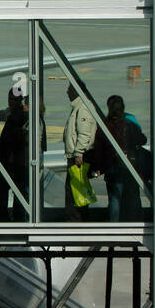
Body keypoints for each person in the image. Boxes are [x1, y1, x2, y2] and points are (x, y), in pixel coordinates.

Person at [92, 95, 147, 221]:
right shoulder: (130, 124)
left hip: (112, 167)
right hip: (130, 166)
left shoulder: (105, 126)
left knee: (114, 199)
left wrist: (98, 168)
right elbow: (142, 139)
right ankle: (135, 222)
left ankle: (114, 225)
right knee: (133, 197)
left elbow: (99, 149)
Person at [63, 85, 97, 221]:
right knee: (77, 190)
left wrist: (78, 153)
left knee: (74, 190)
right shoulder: (78, 107)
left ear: (78, 91)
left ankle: (75, 220)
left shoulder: (83, 108)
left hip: (78, 157)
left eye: (69, 90)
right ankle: (78, 218)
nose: (67, 92)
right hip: (76, 155)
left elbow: (84, 133)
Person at [0, 90, 30, 221]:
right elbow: (2, 113)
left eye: (14, 99)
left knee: (15, 192)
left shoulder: (19, 116)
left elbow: (17, 140)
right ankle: (9, 217)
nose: (11, 102)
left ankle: (14, 219)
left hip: (15, 162)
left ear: (20, 101)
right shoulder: (12, 114)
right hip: (9, 161)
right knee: (4, 190)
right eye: (9, 99)